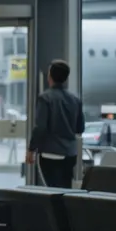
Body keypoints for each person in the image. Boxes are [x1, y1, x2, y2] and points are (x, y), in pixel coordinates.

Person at [27, 59, 84, 189]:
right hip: (70, 154)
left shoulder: (45, 98)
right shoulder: (75, 100)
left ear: (49, 76)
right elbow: (80, 128)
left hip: (50, 153)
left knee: (52, 192)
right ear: (66, 78)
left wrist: (31, 149)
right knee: (65, 191)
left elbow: (40, 127)